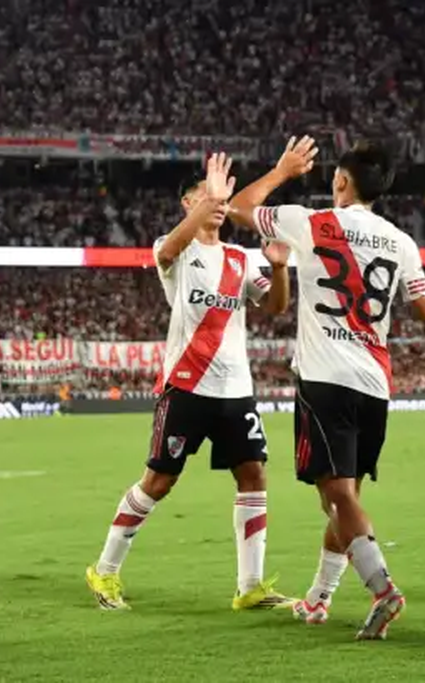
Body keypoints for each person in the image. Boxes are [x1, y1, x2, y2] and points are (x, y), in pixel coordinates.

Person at [228, 138, 425, 640]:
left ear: (341, 180)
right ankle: (319, 599)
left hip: (326, 380)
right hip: (374, 384)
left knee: (338, 495)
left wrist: (282, 172)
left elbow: (238, 207)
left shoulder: (311, 222)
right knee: (345, 497)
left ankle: (383, 589)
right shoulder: (400, 242)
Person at [85, 153, 295, 611]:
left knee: (253, 475)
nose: (219, 204)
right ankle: (104, 570)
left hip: (236, 391)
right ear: (188, 203)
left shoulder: (239, 259)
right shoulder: (175, 249)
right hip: (186, 386)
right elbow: (167, 250)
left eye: (222, 198)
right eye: (207, 196)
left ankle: (250, 587)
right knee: (159, 481)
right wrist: (210, 201)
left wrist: (279, 268)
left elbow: (277, 307)